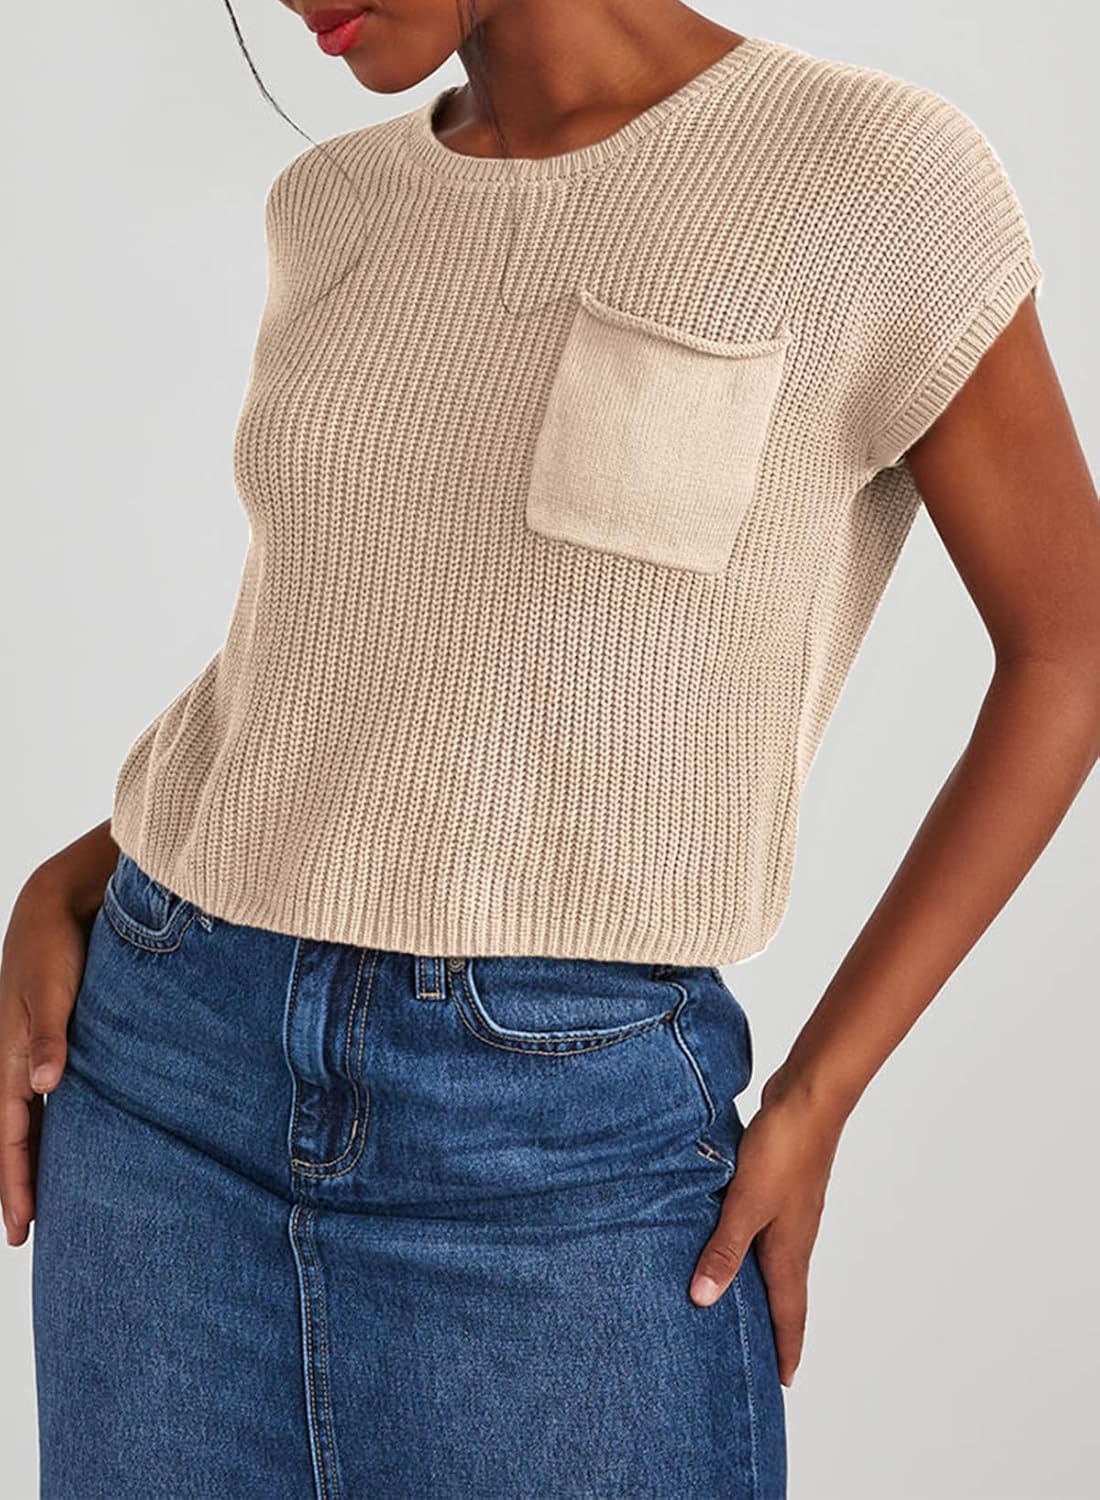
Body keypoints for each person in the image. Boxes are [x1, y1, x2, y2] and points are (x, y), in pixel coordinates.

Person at [3, 3, 1097, 1497]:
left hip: (562, 1137)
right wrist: (81, 872)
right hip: (165, 1087)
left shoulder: (871, 178)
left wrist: (820, 1093)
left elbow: (1066, 649)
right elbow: (350, 642)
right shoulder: (335, 206)